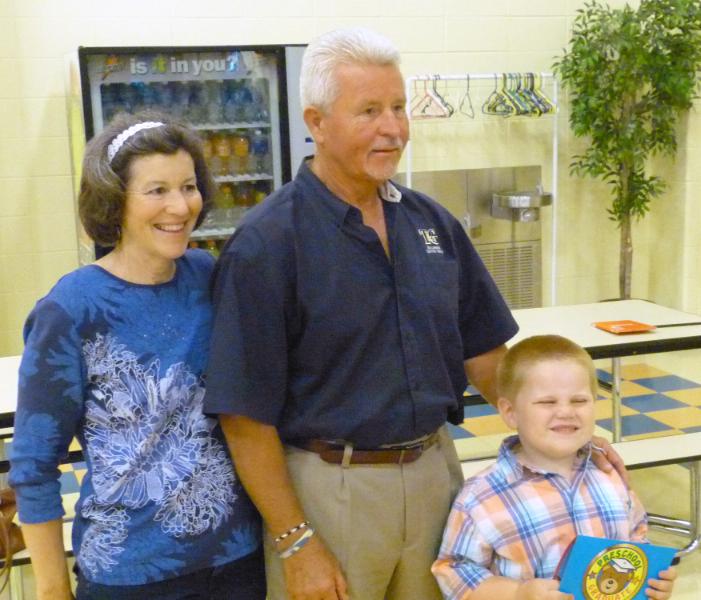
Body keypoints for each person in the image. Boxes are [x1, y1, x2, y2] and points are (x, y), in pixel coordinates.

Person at [203, 27, 626, 600]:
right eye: (370, 111)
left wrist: (564, 427)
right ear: (317, 122)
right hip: (330, 492)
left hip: (436, 476)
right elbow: (244, 417)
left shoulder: (432, 224)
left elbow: (487, 355)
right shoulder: (267, 244)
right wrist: (296, 540)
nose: (394, 128)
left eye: (399, 107)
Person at [9, 112, 264, 600]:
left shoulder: (206, 275)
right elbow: (34, 464)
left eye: (188, 187)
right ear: (115, 202)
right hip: (129, 573)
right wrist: (52, 589)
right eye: (157, 190)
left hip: (234, 560)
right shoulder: (71, 309)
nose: (180, 205)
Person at [432, 335, 677, 600]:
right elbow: (455, 573)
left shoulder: (609, 478)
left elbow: (636, 537)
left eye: (579, 400)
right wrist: (517, 594)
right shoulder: (480, 499)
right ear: (510, 412)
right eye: (548, 402)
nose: (565, 412)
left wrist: (652, 581)